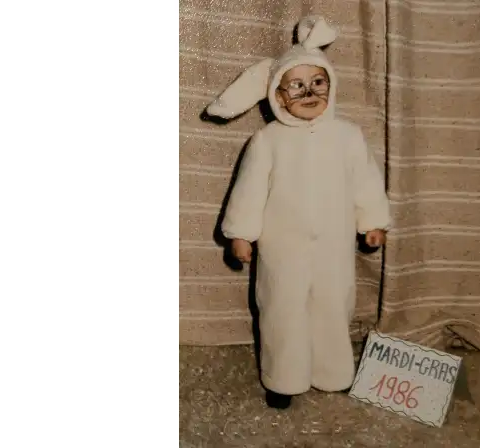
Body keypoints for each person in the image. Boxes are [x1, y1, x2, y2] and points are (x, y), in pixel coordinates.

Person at [206, 15, 391, 409]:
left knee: (333, 303)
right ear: (277, 94)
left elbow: (365, 181)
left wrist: (372, 221)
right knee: (281, 309)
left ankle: (333, 371)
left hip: (334, 245)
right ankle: (282, 378)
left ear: (331, 84)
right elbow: (249, 190)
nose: (309, 91)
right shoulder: (267, 141)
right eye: (296, 85)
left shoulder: (347, 136)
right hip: (282, 247)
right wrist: (241, 233)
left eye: (318, 82)